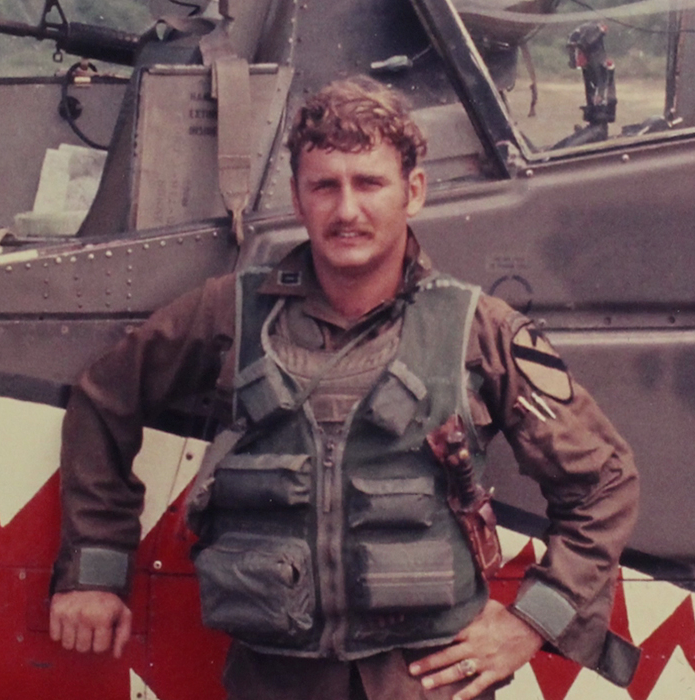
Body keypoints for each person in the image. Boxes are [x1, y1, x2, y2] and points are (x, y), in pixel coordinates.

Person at [49, 76, 639, 700]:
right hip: (272, 678)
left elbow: (603, 480)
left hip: (426, 682)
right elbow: (104, 398)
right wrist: (94, 567)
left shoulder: (479, 330)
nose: (347, 209)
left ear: (413, 191)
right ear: (299, 199)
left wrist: (532, 622)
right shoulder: (231, 314)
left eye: (369, 183)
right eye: (325, 185)